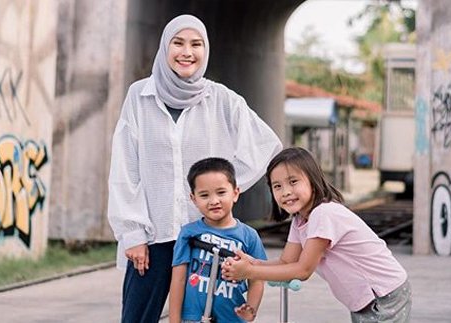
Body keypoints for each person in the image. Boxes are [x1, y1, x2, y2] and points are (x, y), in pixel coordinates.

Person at [106, 14, 282, 323]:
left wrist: (220, 191)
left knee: (200, 318)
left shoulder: (221, 99)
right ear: (165, 47)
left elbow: (265, 145)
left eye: (196, 44)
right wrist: (132, 233)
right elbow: (126, 167)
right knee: (136, 318)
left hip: (207, 238)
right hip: (153, 238)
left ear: (205, 50)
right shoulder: (139, 96)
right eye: (178, 43)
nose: (187, 52)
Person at [221, 147, 412, 322]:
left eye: (293, 181)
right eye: (277, 186)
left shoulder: (324, 213)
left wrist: (250, 272)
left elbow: (303, 271)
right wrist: (253, 262)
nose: (286, 192)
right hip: (365, 298)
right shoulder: (300, 219)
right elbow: (287, 262)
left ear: (312, 181)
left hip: (384, 292)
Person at [169, 157, 266, 323]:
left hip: (232, 318)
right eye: (204, 195)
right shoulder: (189, 233)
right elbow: (178, 279)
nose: (214, 201)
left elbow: (257, 280)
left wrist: (251, 310)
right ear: (194, 199)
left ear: (235, 193)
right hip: (193, 318)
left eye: (221, 193)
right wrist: (174, 320)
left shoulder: (249, 236)